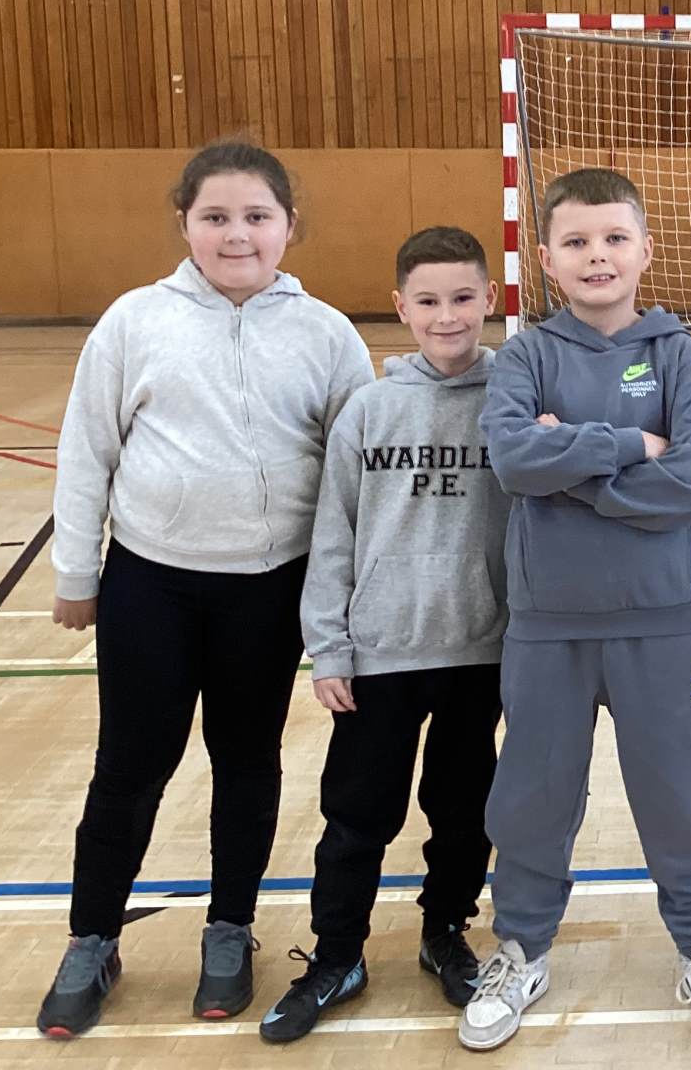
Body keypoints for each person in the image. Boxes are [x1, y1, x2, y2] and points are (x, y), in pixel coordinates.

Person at [38, 141, 374, 1039]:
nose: (237, 235)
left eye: (257, 216)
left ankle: (230, 928)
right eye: (215, 217)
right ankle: (92, 937)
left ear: (288, 225)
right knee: (130, 766)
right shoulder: (135, 321)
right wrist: (77, 573)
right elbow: (87, 452)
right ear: (184, 223)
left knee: (246, 759)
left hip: (268, 590)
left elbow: (355, 477)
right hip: (151, 583)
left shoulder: (327, 334)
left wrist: (347, 597)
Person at [461, 169, 691, 1051]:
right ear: (546, 258)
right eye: (577, 241)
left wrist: (571, 468)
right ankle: (520, 949)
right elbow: (514, 462)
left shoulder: (679, 356)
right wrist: (629, 446)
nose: (598, 256)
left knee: (679, 798)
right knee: (533, 799)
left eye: (615, 238)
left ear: (645, 250)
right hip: (546, 624)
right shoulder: (525, 356)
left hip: (660, 621)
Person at [260, 226, 511, 1043]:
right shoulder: (368, 409)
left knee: (464, 810)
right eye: (428, 301)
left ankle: (446, 931)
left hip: (480, 650)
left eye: (463, 298)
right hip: (379, 655)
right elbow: (332, 534)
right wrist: (329, 646)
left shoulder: (512, 400)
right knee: (358, 816)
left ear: (491, 299)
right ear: (401, 306)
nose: (448, 316)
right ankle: (338, 954)